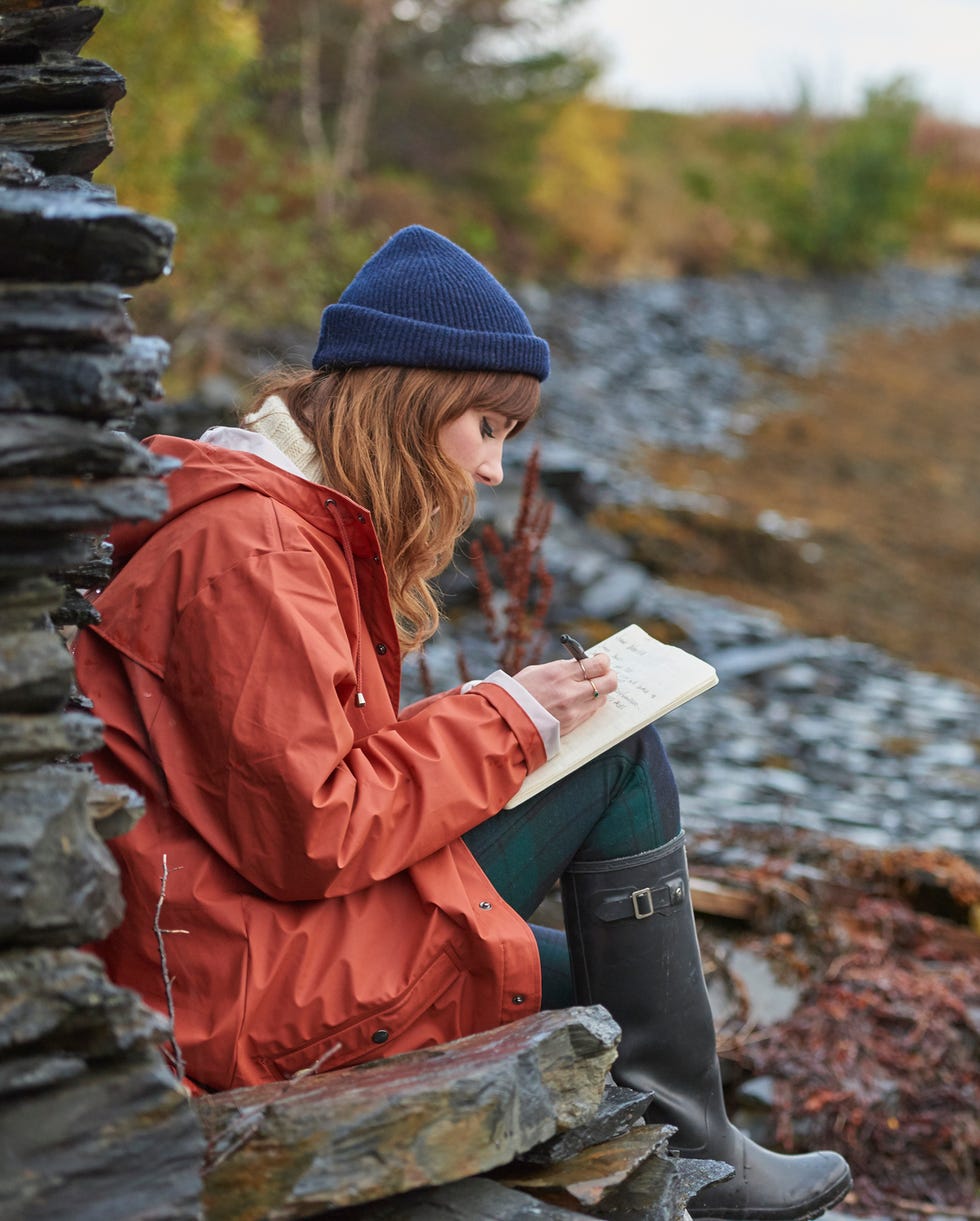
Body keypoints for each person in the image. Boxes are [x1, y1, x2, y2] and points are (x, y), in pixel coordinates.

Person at [75, 225, 851, 1221]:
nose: (491, 471)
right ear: (413, 404)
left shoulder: (280, 522)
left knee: (604, 984)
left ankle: (676, 1158)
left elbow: (289, 773)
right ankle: (695, 1161)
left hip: (243, 935)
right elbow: (313, 832)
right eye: (485, 428)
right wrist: (510, 720)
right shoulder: (249, 546)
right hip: (236, 984)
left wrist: (497, 714)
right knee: (617, 773)